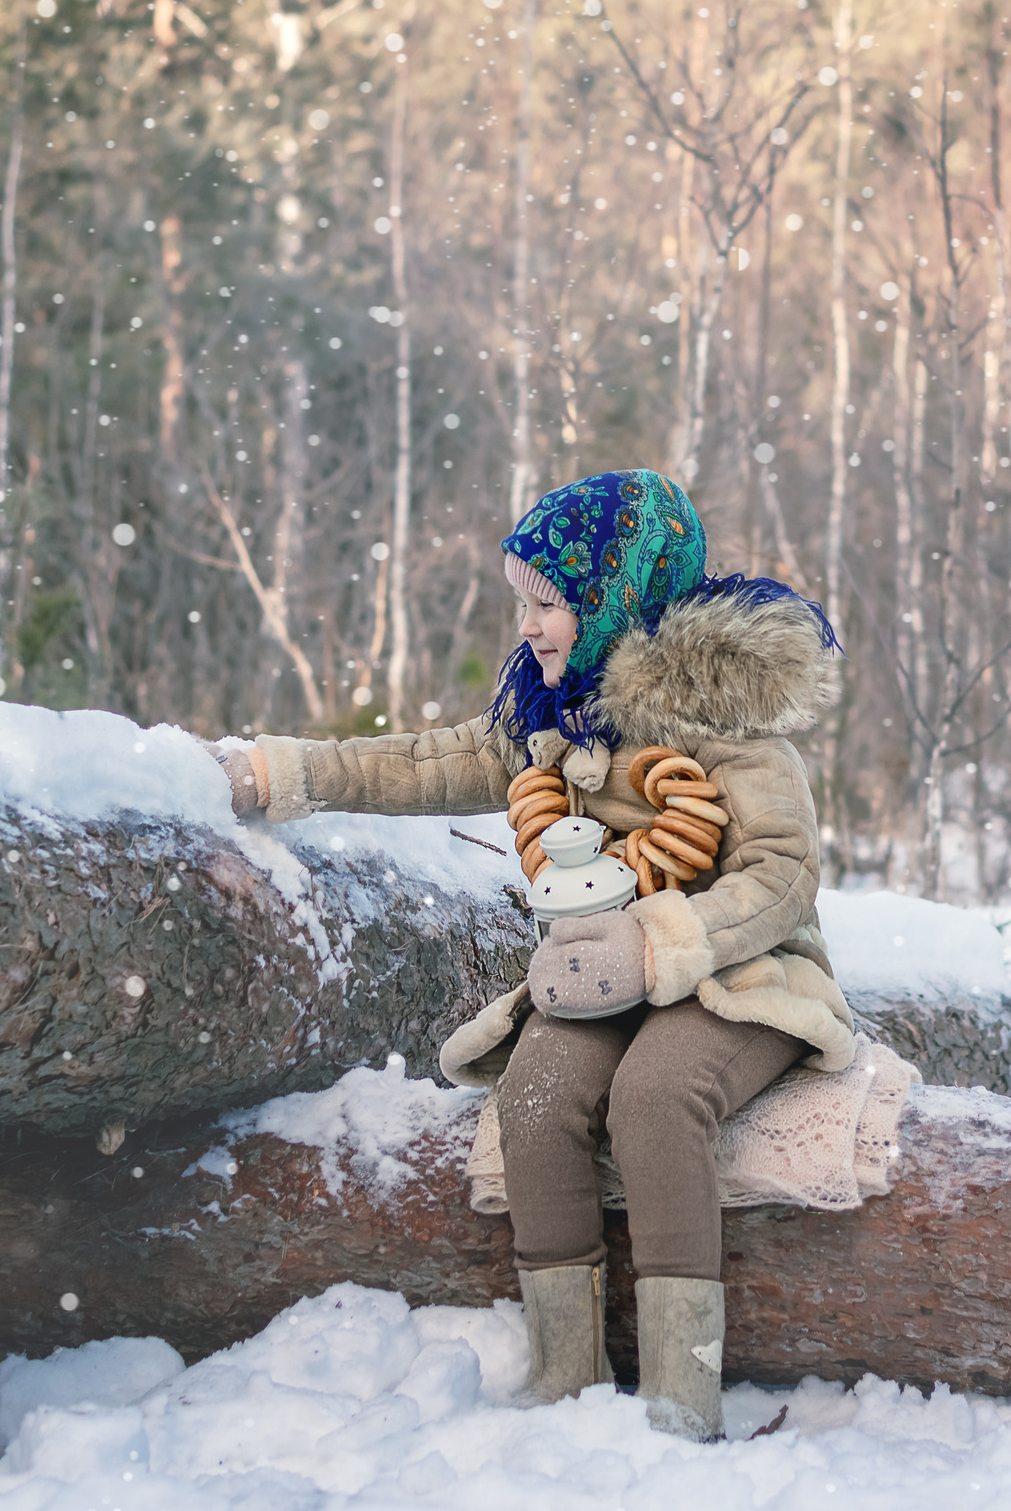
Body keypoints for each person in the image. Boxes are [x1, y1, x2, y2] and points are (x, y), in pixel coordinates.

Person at [218, 469, 856, 1440]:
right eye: (524, 604)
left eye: (549, 604)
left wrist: (657, 943)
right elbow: (426, 761)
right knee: (534, 1094)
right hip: (597, 985)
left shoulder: (727, 721)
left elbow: (781, 874)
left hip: (740, 978)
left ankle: (680, 1396)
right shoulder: (548, 719)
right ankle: (566, 1373)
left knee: (657, 1097)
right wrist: (281, 771)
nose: (529, 626)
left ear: (616, 598)